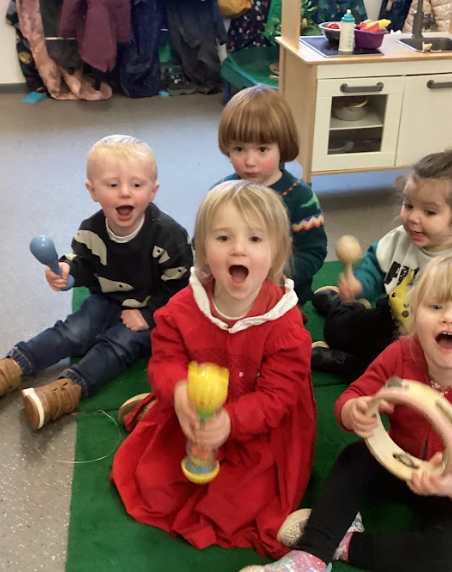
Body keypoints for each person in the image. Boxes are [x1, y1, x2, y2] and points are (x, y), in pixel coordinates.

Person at [241, 253, 452, 572]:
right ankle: (312, 555)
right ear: (414, 315)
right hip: (396, 460)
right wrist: (354, 412)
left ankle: (346, 545)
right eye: (436, 306)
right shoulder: (401, 354)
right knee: (354, 459)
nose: (449, 319)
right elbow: (354, 396)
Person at [111, 180, 316, 558]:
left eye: (255, 239)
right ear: (203, 250)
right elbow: (166, 360)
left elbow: (278, 398)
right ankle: (154, 403)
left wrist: (230, 422)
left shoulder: (285, 325)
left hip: (257, 425)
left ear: (276, 252)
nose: (238, 248)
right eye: (223, 238)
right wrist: (178, 391)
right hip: (196, 412)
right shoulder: (185, 306)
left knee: (238, 508)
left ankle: (154, 407)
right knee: (154, 484)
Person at [0, 135, 193, 429]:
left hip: (153, 307)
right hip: (107, 298)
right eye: (113, 185)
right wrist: (67, 271)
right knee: (72, 331)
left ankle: (67, 391)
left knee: (118, 345)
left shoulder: (170, 236)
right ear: (93, 191)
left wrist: (149, 315)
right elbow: (84, 263)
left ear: (153, 191)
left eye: (137, 185)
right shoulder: (91, 230)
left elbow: (182, 289)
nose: (125, 193)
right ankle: (8, 369)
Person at [312, 132, 452, 382]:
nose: (413, 218)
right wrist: (360, 284)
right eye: (409, 205)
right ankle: (340, 305)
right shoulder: (403, 237)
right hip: (392, 317)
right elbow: (378, 265)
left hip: (432, 340)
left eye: (429, 212)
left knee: (390, 375)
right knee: (337, 330)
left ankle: (343, 361)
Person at [217, 85, 327, 310]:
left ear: (282, 146)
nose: (250, 161)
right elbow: (204, 241)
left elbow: (313, 252)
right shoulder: (220, 193)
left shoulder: (301, 198)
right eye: (238, 149)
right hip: (234, 290)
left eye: (262, 149)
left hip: (284, 295)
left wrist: (275, 273)